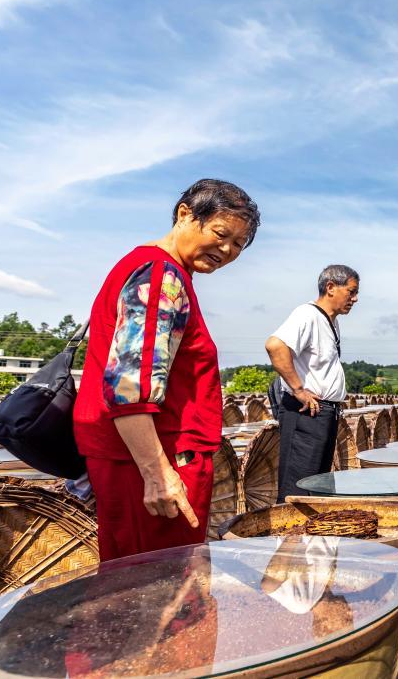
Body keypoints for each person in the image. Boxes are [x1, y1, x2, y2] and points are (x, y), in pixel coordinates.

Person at [74, 179, 260, 561]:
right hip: (157, 460)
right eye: (221, 234)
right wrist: (157, 474)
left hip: (146, 459)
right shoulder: (160, 276)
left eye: (238, 245)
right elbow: (130, 386)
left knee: (143, 585)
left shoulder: (162, 271)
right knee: (163, 590)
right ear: (185, 214)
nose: (226, 251)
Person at [266, 265, 359, 501]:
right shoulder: (307, 314)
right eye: (351, 292)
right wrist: (298, 389)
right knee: (298, 487)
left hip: (323, 413)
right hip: (306, 413)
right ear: (330, 288)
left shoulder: (330, 321)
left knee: (316, 485)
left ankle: (310, 536)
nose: (355, 299)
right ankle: (289, 536)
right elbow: (276, 346)